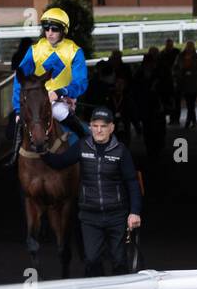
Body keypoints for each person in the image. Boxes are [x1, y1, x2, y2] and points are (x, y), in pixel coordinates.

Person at [41, 107, 142, 276]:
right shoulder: (82, 146)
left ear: (111, 128)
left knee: (119, 260)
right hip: (89, 216)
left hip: (117, 215)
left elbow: (132, 183)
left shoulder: (121, 151)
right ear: (90, 127)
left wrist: (135, 212)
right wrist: (41, 150)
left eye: (103, 126)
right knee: (92, 259)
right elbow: (59, 162)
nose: (99, 130)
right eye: (95, 126)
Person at [11, 8, 90, 156]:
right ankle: (14, 157)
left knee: (65, 117)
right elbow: (19, 78)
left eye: (55, 29)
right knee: (15, 125)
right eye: (46, 29)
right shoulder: (35, 50)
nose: (50, 33)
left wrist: (62, 92)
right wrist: (17, 108)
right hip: (37, 99)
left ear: (63, 30)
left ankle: (88, 151)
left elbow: (81, 82)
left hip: (62, 100)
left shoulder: (74, 51)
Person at [174, 41, 197, 130]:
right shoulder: (180, 56)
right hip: (184, 82)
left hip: (194, 82)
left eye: (191, 46)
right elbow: (175, 67)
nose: (189, 48)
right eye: (188, 46)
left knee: (191, 103)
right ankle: (193, 121)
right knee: (189, 103)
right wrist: (177, 75)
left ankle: (188, 121)